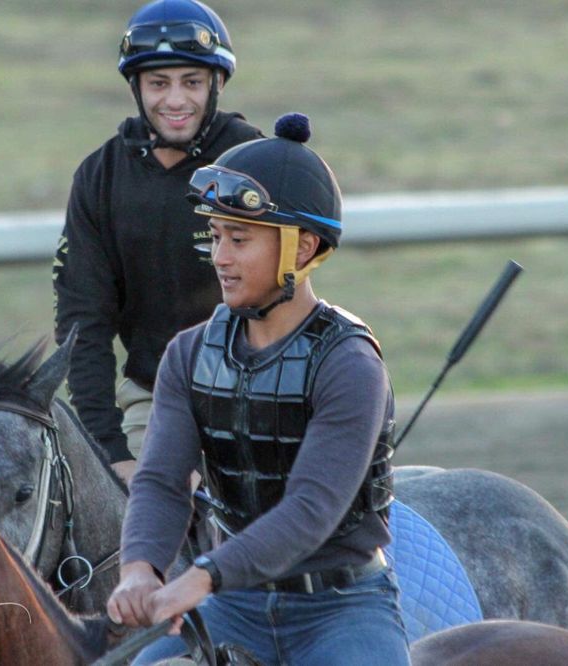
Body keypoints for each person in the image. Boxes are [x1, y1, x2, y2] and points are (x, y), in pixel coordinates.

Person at [106, 114, 410, 665]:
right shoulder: (188, 353)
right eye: (216, 236)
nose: (220, 257)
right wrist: (139, 568)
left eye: (239, 239)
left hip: (340, 611)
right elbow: (161, 481)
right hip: (233, 605)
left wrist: (200, 577)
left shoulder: (349, 364)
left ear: (301, 248)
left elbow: (311, 510)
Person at [52, 0, 263, 483]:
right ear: (136, 87)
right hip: (155, 397)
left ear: (217, 85)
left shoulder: (256, 164)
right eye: (158, 83)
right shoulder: (99, 177)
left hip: (264, 389)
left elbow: (281, 297)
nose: (175, 100)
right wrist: (109, 449)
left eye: (191, 82)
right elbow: (83, 319)